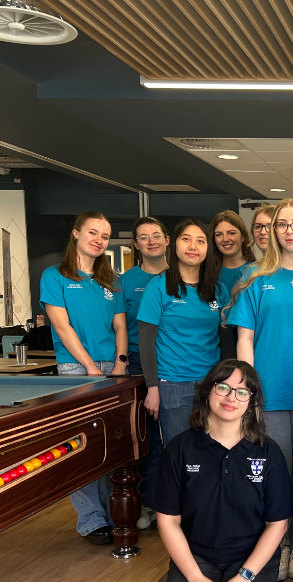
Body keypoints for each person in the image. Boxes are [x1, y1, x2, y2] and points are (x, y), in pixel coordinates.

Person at [152, 360, 291, 582]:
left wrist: (244, 577)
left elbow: (277, 524)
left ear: (253, 402)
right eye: (223, 387)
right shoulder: (180, 448)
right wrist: (194, 578)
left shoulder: (268, 452)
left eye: (243, 392)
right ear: (207, 391)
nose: (231, 398)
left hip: (249, 557)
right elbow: (168, 520)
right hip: (198, 556)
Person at [226, 198, 293, 581]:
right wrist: (248, 392)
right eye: (282, 224)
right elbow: (244, 341)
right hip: (267, 392)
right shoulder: (255, 277)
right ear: (272, 232)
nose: (289, 230)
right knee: (273, 473)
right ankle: (279, 543)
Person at [40, 211, 127, 545]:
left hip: (113, 368)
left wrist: (119, 365)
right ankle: (91, 520)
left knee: (112, 443)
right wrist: (91, 368)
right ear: (76, 234)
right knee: (82, 444)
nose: (99, 240)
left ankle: (111, 513)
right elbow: (62, 327)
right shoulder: (55, 276)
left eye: (104, 236)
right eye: (93, 232)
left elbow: (120, 325)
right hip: (76, 371)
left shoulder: (111, 280)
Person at [137, 219, 228, 446]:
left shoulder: (218, 290)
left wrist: (228, 384)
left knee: (214, 454)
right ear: (174, 245)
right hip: (172, 386)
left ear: (208, 248)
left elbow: (226, 341)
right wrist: (152, 388)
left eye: (200, 241)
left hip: (213, 385)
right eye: (186, 239)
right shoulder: (158, 287)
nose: (193, 247)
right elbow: (146, 342)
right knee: (179, 456)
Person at [123, 216, 170, 530]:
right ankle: (148, 503)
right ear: (136, 245)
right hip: (139, 365)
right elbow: (117, 326)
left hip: (177, 363)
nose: (151, 241)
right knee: (147, 440)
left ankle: (168, 504)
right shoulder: (125, 281)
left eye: (156, 235)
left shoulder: (183, 277)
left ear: (167, 240)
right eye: (144, 237)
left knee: (174, 440)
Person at [211, 210, 256, 293]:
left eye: (231, 233)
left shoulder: (256, 272)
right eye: (218, 235)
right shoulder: (208, 273)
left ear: (243, 236)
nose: (225, 239)